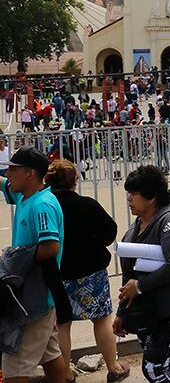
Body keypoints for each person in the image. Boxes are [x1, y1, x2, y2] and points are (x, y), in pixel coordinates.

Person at [47, 160, 130, 382]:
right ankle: (113, 367)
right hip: (91, 272)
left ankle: (65, 373)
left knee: (62, 324)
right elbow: (109, 232)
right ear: (75, 180)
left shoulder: (47, 207)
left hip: (59, 274)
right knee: (101, 319)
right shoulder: (87, 205)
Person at [113, 165, 170, 383]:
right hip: (146, 311)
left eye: (134, 194)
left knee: (154, 369)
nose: (129, 199)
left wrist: (140, 286)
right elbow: (129, 274)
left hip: (169, 309)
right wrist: (121, 313)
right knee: (159, 368)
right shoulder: (136, 226)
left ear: (151, 198)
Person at [0, 147, 69, 383]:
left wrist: (16, 262)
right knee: (50, 354)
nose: (8, 174)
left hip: (33, 296)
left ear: (29, 173)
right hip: (38, 295)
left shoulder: (42, 205)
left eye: (13, 170)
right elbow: (2, 183)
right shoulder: (23, 196)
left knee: (15, 365)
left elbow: (50, 246)